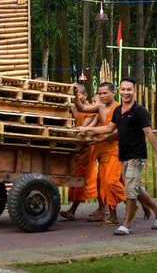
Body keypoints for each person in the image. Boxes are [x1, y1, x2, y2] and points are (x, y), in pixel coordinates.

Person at [77, 77, 157, 235]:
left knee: (130, 189)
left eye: (129, 89)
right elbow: (109, 129)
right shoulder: (118, 111)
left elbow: (148, 132)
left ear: (135, 91)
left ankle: (126, 224)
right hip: (124, 155)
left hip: (137, 155)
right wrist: (87, 130)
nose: (126, 92)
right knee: (135, 187)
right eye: (123, 89)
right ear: (119, 91)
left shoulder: (139, 110)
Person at [73, 82, 125, 226]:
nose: (102, 96)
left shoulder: (119, 109)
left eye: (105, 93)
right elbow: (82, 107)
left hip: (114, 150)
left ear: (114, 93)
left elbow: (115, 132)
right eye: (100, 93)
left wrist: (89, 131)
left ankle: (131, 201)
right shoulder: (100, 107)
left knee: (112, 182)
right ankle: (113, 217)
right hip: (101, 149)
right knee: (102, 185)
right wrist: (75, 94)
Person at [60, 84, 98, 220]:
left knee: (83, 179)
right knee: (88, 180)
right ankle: (103, 208)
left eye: (79, 95)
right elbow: (78, 120)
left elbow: (83, 126)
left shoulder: (92, 110)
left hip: (87, 148)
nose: (77, 97)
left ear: (85, 96)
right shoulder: (79, 108)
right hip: (80, 148)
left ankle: (73, 210)